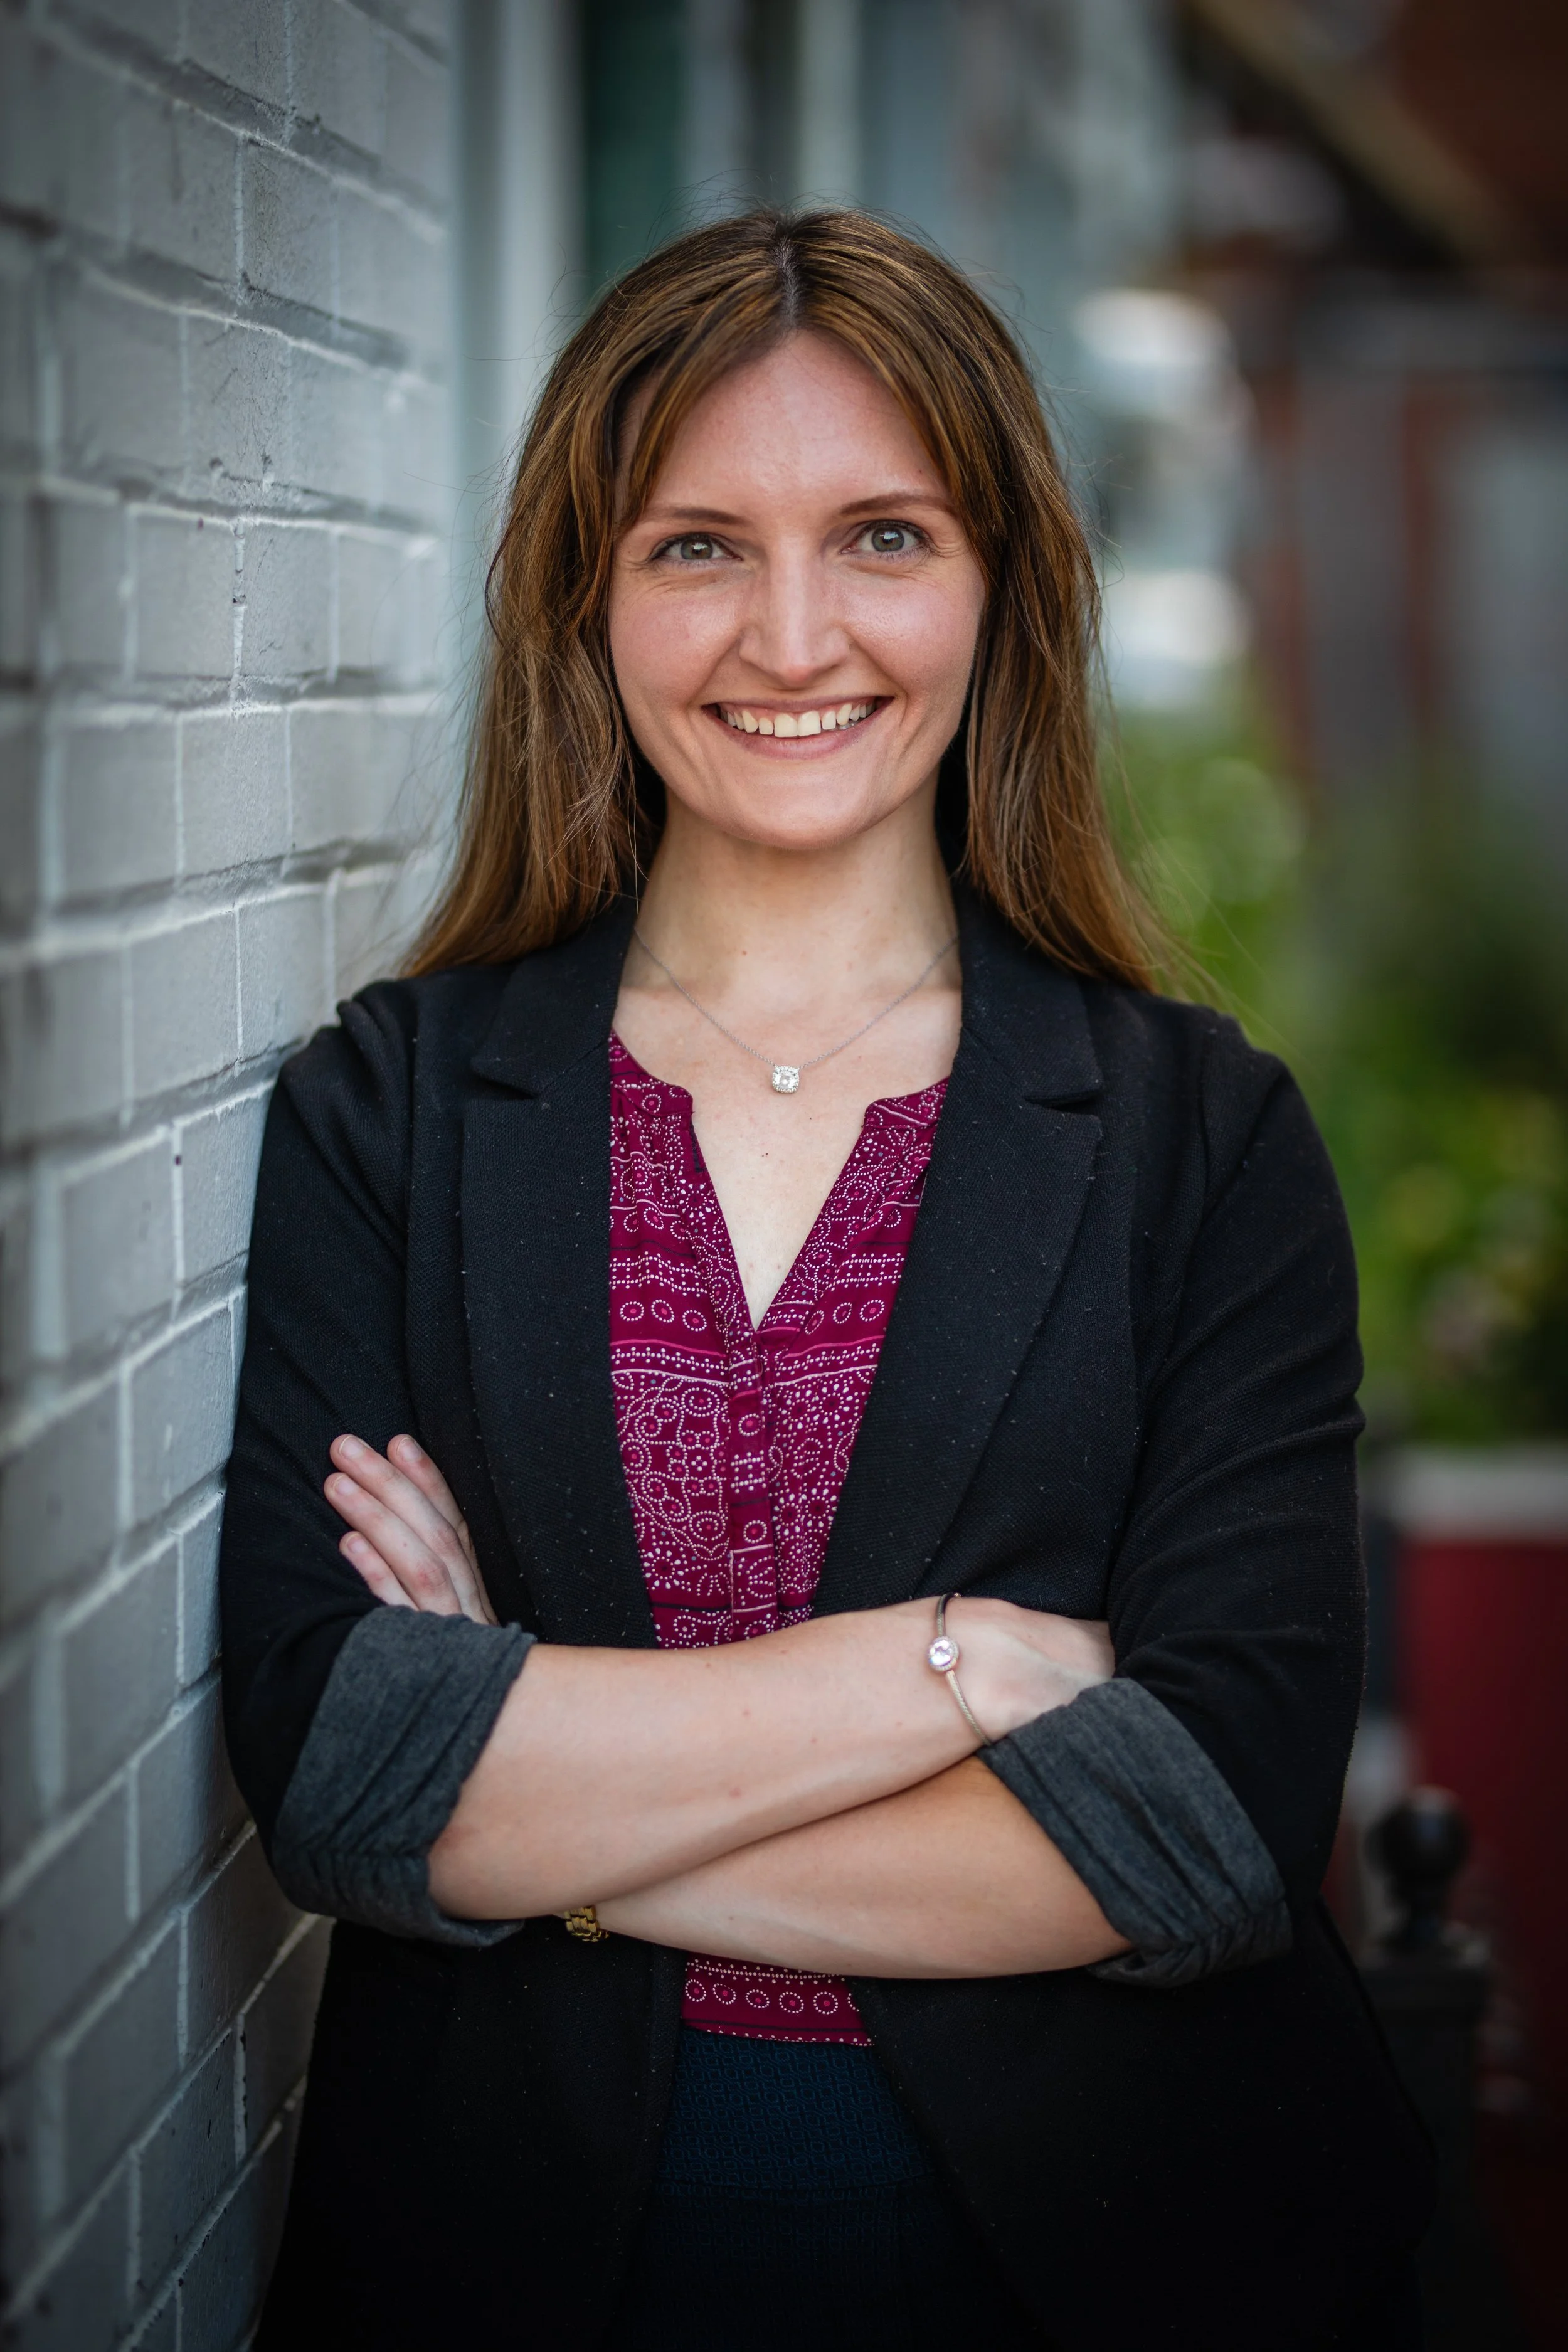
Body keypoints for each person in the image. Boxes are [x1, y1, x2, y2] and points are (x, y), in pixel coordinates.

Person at [221, 209, 1432, 2351]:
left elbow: (1202, 1823)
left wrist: (538, 1808)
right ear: (585, 599)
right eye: (699, 546)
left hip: (1116, 2262)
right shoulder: (394, 1108)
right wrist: (962, 1663)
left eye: (881, 533)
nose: (792, 635)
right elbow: (340, 1762)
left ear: (1000, 590)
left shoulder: (1196, 1141)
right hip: (514, 2264)